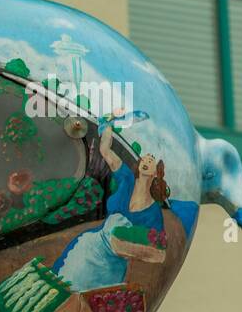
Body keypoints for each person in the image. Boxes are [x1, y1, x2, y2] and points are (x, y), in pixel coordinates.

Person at [51, 125, 167, 292]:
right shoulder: (126, 179)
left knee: (92, 300)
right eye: (145, 158)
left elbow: (159, 253)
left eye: (151, 160)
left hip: (112, 266)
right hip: (90, 247)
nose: (147, 160)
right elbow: (105, 151)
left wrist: (126, 248)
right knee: (65, 284)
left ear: (157, 172)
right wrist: (107, 128)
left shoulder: (153, 212)